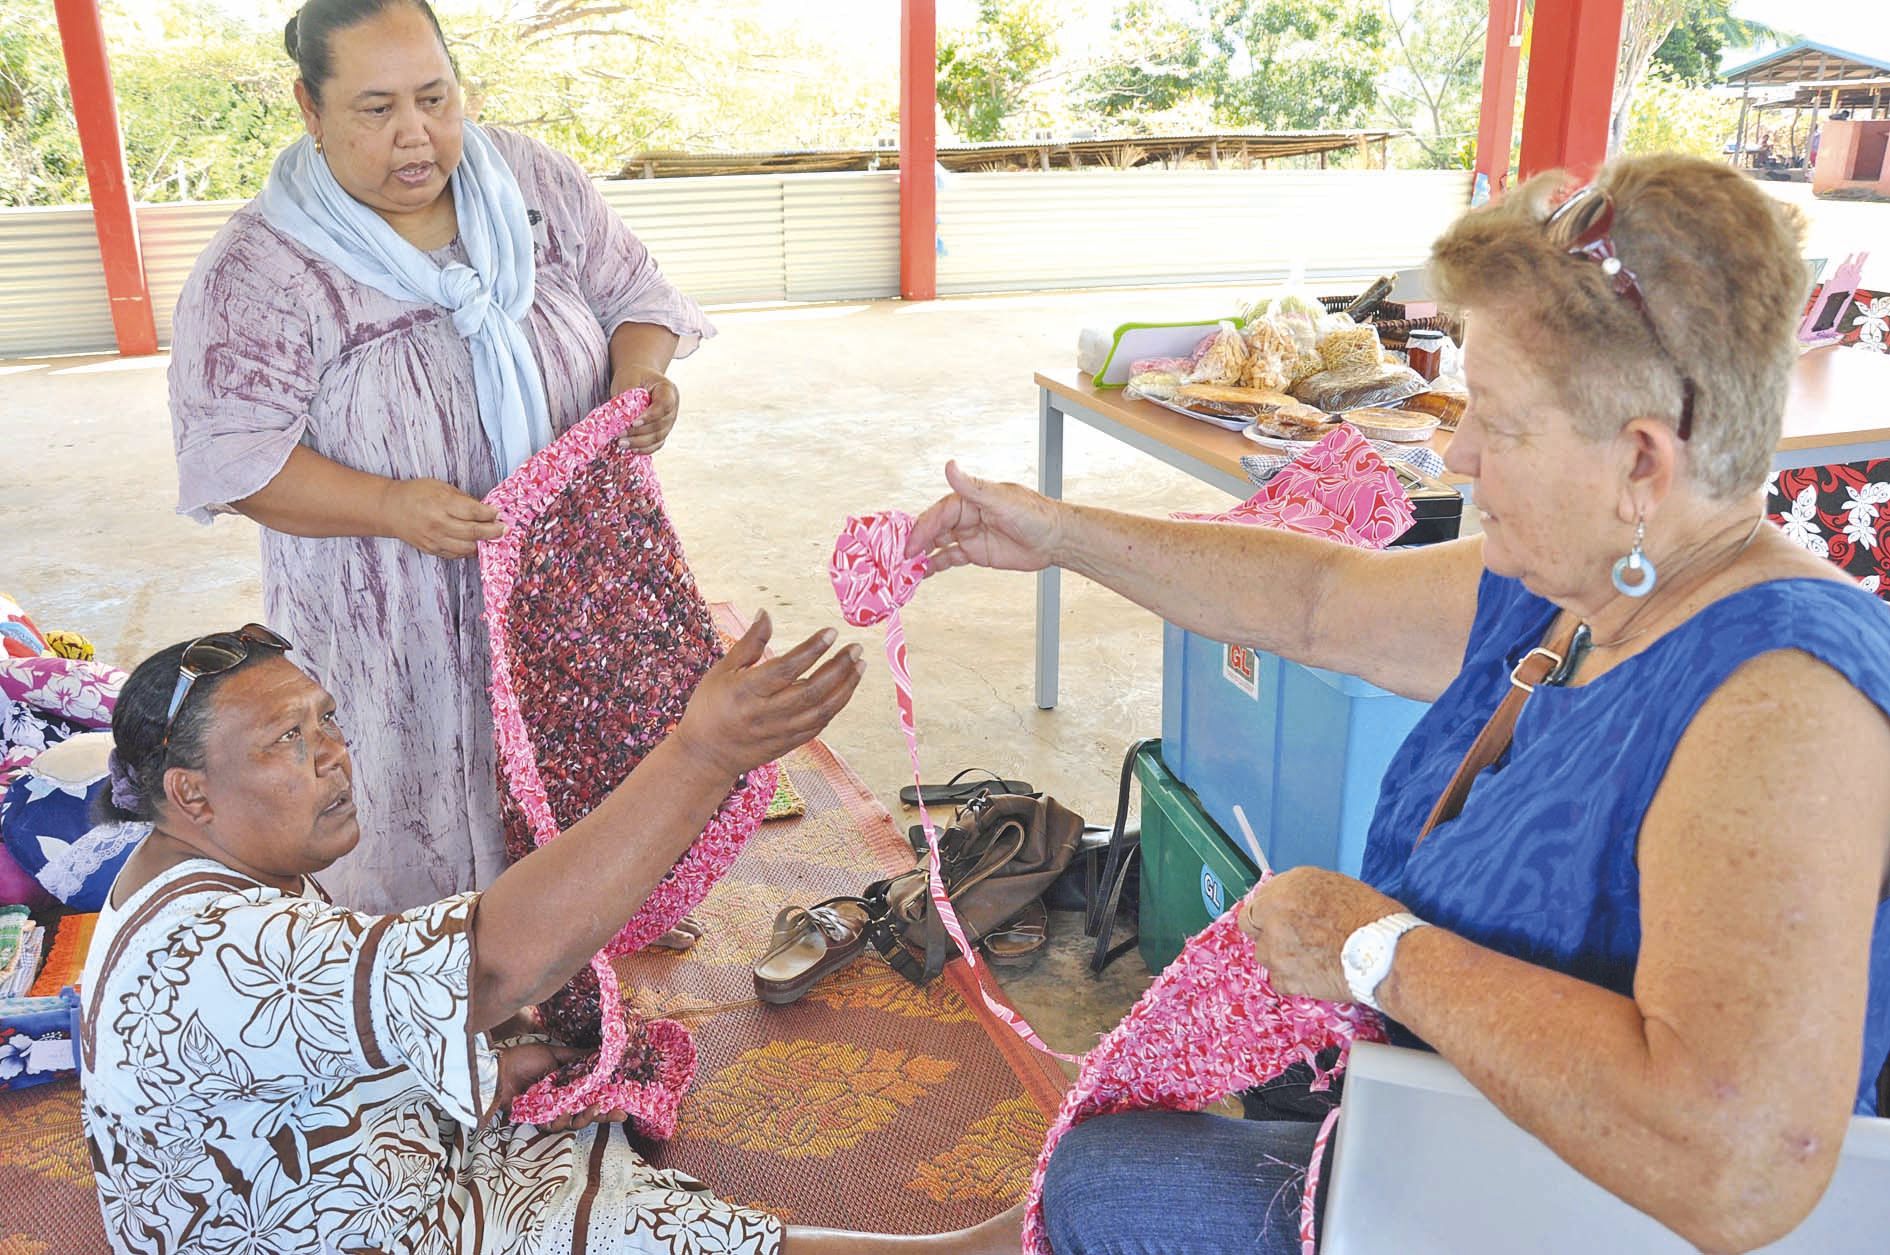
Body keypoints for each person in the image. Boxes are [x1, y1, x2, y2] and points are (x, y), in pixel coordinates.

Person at [906, 154, 1890, 1253]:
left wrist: (1377, 949)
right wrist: (1060, 536)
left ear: (1643, 466)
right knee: (1169, 1131)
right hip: (1460, 1142)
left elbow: (1741, 1166)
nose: (1458, 453)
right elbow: (1321, 601)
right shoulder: (1592, 584)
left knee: (1109, 1179)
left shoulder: (1787, 707)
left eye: (1501, 424)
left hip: (1553, 1217)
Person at [81, 615, 1023, 1254]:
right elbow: (491, 960)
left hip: (318, 1180)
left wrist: (496, 1067)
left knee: (585, 1152)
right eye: (285, 740)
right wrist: (704, 754)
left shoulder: (188, 880)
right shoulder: (207, 948)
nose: (332, 752)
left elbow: (314, 1045)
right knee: (633, 1226)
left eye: (324, 719)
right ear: (190, 793)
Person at [168, 0, 710, 912]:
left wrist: (641, 377)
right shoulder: (260, 265)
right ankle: (447, 981)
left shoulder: (531, 180)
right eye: (376, 110)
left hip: (568, 582)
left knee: (589, 749)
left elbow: (637, 294)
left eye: (435, 98)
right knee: (419, 793)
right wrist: (388, 506)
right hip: (391, 621)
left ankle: (597, 925)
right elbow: (237, 459)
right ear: (310, 107)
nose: (415, 136)